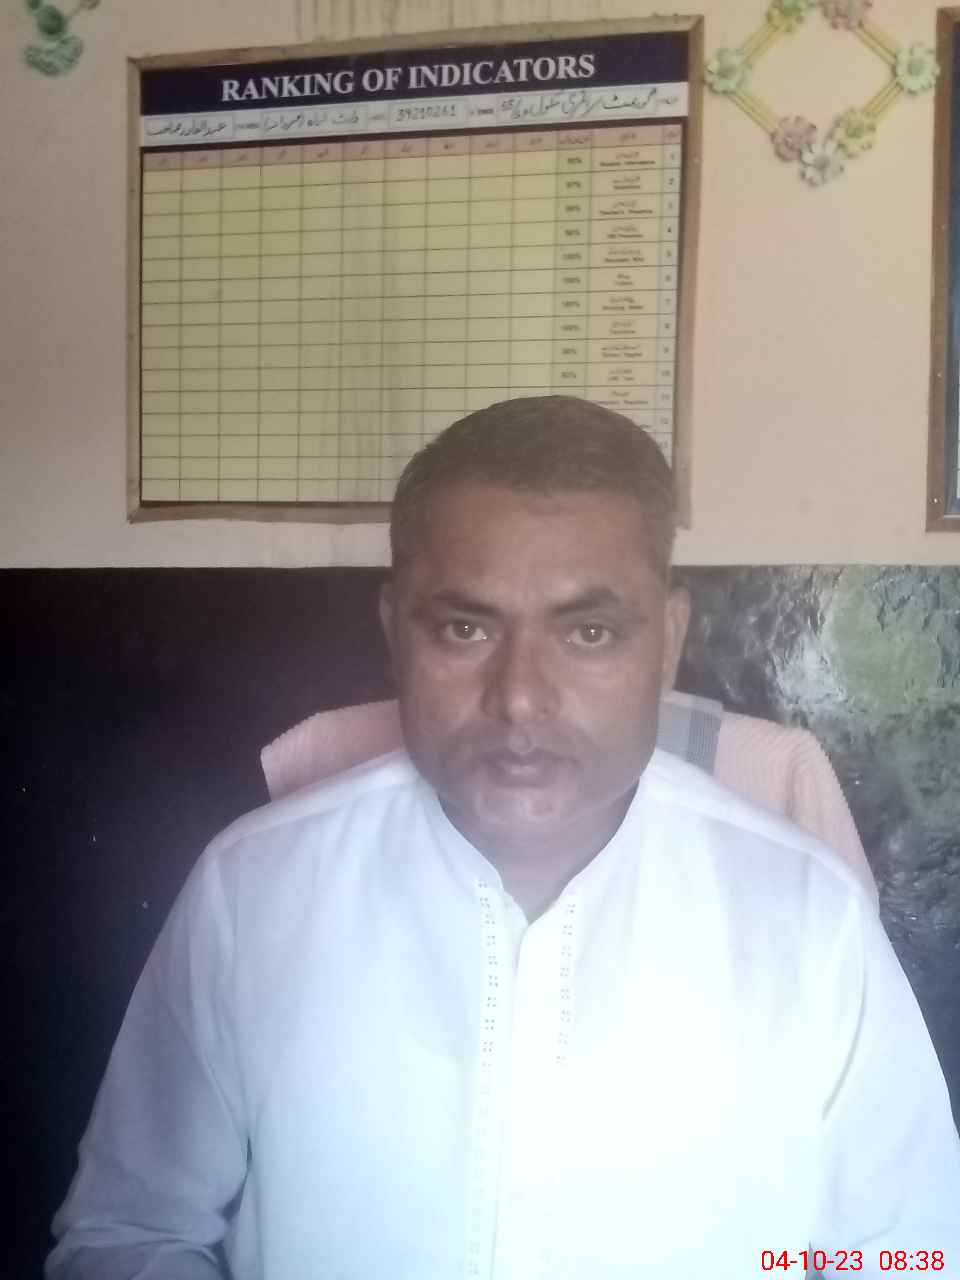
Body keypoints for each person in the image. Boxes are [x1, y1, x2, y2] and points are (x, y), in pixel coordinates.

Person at [47, 397, 960, 1279]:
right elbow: (128, 1229)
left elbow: (909, 1254)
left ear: (669, 638)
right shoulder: (253, 889)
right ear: (394, 631)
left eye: (589, 632)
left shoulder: (809, 918)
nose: (520, 697)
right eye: (464, 627)